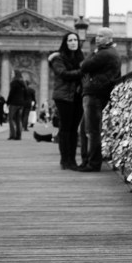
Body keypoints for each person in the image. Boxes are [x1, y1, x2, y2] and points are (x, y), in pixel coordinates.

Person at [77, 27, 121, 172]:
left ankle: (93, 163)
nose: (97, 38)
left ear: (109, 39)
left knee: (91, 130)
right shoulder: (108, 52)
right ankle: (87, 161)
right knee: (86, 129)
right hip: (97, 92)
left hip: (95, 93)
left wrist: (94, 53)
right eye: (97, 35)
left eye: (101, 36)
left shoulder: (104, 54)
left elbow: (84, 65)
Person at [48, 32, 84, 170]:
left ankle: (72, 160)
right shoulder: (58, 58)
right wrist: (82, 71)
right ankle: (65, 160)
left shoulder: (81, 57)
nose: (73, 42)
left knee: (74, 129)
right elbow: (63, 74)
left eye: (75, 40)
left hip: (77, 96)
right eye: (70, 40)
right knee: (65, 128)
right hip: (63, 96)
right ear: (65, 43)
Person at [7, 70, 27, 140]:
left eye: (12, 73)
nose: (11, 74)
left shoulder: (14, 82)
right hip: (21, 103)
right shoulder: (23, 83)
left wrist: (8, 102)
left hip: (14, 103)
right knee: (19, 119)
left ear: (15, 74)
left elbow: (11, 93)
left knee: (11, 119)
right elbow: (26, 93)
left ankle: (13, 135)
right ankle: (19, 136)